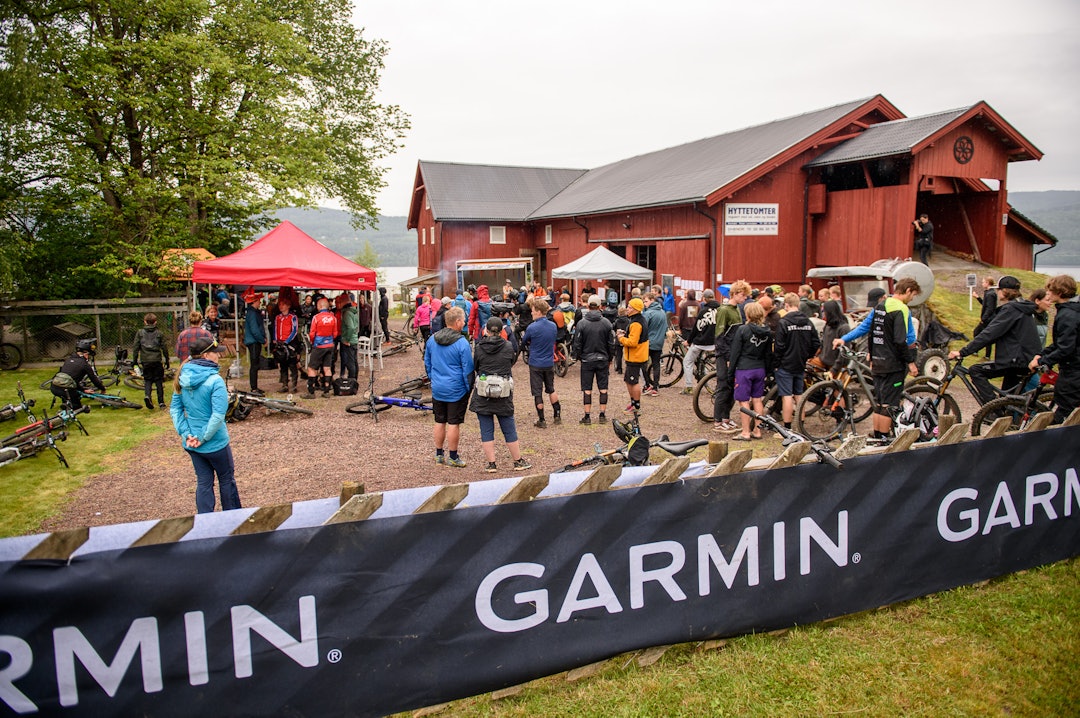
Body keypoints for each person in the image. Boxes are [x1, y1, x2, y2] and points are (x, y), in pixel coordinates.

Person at [170, 336, 240, 514]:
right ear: (206, 355)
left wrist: (187, 434)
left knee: (203, 482)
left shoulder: (182, 376)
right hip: (215, 442)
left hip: (192, 443)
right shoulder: (215, 381)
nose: (218, 356)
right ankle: (233, 519)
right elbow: (218, 415)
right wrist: (203, 437)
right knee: (226, 480)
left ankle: (204, 523)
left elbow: (175, 410)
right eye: (215, 353)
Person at [948, 275, 1041, 404]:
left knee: (976, 371)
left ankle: (992, 409)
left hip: (1015, 361)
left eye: (998, 290)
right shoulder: (1022, 307)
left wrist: (963, 352)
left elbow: (989, 334)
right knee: (1008, 400)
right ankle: (1003, 414)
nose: (997, 293)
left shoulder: (1011, 309)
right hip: (1024, 359)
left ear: (1004, 291)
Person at [862, 277, 922, 440]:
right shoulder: (901, 309)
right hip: (892, 363)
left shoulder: (880, 306)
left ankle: (876, 435)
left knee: (879, 401)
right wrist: (910, 362)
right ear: (908, 291)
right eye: (913, 295)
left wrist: (872, 354)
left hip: (878, 361)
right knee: (890, 402)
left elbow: (871, 332)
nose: (912, 299)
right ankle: (884, 437)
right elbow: (899, 340)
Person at [471, 317, 532, 473]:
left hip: (484, 392)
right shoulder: (508, 346)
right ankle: (518, 461)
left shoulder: (479, 348)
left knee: (486, 429)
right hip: (503, 393)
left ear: (486, 330)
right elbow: (510, 361)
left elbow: (476, 366)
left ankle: (491, 463)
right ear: (502, 331)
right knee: (509, 428)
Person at [424, 306, 474, 467]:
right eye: (464, 320)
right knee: (453, 423)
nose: (465, 322)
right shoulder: (462, 343)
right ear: (458, 322)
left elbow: (427, 363)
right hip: (456, 389)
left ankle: (439, 454)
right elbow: (467, 369)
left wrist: (434, 379)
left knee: (439, 420)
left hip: (438, 387)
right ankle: (453, 456)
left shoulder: (432, 339)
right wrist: (468, 388)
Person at [1029, 274, 1080, 424]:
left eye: (1051, 290)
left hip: (1073, 372)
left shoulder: (1068, 315)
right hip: (1074, 369)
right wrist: (1041, 354)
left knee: (1064, 416)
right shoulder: (1072, 310)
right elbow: (1060, 343)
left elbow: (1065, 348)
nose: (1048, 293)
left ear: (1060, 292)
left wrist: (1042, 361)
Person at [773, 292, 821, 429]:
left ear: (786, 305)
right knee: (799, 395)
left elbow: (779, 345)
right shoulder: (808, 321)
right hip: (800, 362)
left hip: (785, 363)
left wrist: (776, 363)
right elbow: (816, 343)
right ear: (798, 305)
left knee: (786, 396)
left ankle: (787, 427)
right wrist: (808, 355)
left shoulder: (784, 322)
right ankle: (800, 425)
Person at [728, 302, 772, 441]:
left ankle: (745, 432)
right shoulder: (767, 332)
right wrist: (768, 371)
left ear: (748, 314)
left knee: (743, 401)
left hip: (744, 369)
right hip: (760, 368)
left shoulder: (743, 330)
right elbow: (768, 354)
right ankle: (757, 430)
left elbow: (735, 352)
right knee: (757, 400)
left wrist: (730, 372)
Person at [713, 280, 750, 433]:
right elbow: (719, 336)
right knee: (723, 386)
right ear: (734, 294)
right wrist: (727, 357)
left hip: (733, 354)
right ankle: (717, 421)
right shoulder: (724, 310)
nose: (745, 298)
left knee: (731, 387)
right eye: (743, 295)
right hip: (724, 355)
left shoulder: (736, 309)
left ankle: (726, 418)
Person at [573, 294, 616, 424]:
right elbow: (611, 343)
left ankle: (587, 416)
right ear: (599, 307)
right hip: (602, 358)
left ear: (588, 305)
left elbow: (577, 343)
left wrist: (579, 356)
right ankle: (602, 414)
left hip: (587, 359)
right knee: (603, 387)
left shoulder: (582, 323)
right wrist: (610, 358)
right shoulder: (606, 323)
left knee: (587, 388)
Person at [522, 298, 561, 427]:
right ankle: (557, 414)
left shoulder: (532, 327)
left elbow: (524, 342)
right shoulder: (553, 325)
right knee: (551, 389)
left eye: (533, 311)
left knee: (537, 392)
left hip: (535, 363)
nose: (531, 313)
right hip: (549, 362)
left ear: (538, 311)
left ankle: (542, 419)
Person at [49, 338, 106, 411]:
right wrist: (103, 389)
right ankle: (70, 407)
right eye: (89, 354)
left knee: (69, 394)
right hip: (66, 390)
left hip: (54, 388)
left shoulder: (68, 360)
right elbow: (94, 379)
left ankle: (66, 403)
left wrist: (83, 390)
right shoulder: (85, 365)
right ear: (86, 354)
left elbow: (72, 379)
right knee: (78, 409)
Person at [682, 288, 719, 394]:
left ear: (705, 299)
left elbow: (696, 329)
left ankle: (689, 387)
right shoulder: (720, 310)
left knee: (687, 361)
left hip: (701, 342)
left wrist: (688, 341)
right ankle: (705, 373)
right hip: (715, 342)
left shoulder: (703, 311)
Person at [618, 297, 649, 416]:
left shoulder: (636, 323)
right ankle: (633, 402)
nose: (627, 309)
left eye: (630, 307)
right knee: (628, 380)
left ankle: (636, 405)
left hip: (635, 356)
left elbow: (633, 342)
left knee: (633, 381)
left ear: (635, 309)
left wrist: (621, 338)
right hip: (636, 355)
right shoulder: (638, 320)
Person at [303, 296, 339, 399]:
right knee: (327, 367)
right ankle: (327, 391)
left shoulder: (316, 317)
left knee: (311, 368)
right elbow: (335, 333)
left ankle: (311, 392)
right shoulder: (333, 317)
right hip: (330, 345)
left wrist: (313, 342)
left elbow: (312, 333)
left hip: (319, 345)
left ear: (319, 306)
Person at [132, 312, 170, 410]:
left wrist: (135, 360)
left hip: (145, 360)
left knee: (147, 379)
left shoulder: (140, 333)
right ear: (155, 322)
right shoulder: (159, 333)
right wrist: (167, 359)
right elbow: (164, 347)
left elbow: (136, 347)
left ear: (145, 322)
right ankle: (161, 402)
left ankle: (147, 396)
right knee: (158, 380)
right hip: (156, 359)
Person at [272, 296, 302, 393]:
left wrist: (287, 341)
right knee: (283, 365)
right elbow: (275, 329)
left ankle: (294, 385)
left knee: (292, 364)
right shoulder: (278, 317)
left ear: (288, 306)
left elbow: (294, 330)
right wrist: (276, 340)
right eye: (280, 305)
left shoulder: (293, 317)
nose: (281, 307)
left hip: (290, 344)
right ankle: (285, 384)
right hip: (280, 343)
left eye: (283, 305)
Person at [641, 291, 668, 396]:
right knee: (656, 365)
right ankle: (655, 387)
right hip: (659, 342)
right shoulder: (662, 312)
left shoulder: (648, 313)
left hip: (648, 342)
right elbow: (665, 328)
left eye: (646, 301)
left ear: (652, 300)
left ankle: (647, 384)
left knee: (643, 364)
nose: (644, 303)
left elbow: (643, 328)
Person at [242, 289, 267, 395]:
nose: (260, 302)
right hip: (253, 341)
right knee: (254, 365)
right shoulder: (252, 313)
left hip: (254, 340)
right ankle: (253, 388)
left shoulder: (253, 312)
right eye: (258, 301)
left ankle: (255, 387)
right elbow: (254, 329)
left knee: (255, 365)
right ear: (255, 301)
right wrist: (262, 339)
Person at [819, 300, 851, 374]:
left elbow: (844, 352)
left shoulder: (844, 328)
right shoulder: (827, 326)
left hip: (838, 366)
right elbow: (822, 344)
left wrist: (834, 370)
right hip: (823, 361)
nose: (822, 314)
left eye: (824, 311)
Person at [972, 276, 998, 358]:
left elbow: (989, 309)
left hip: (988, 320)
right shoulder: (988, 293)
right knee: (982, 335)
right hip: (988, 319)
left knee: (979, 334)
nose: (982, 283)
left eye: (983, 282)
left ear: (987, 283)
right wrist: (978, 297)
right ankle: (981, 353)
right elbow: (985, 304)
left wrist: (984, 319)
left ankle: (984, 354)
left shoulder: (990, 294)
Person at [336, 292, 359, 381]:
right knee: (354, 360)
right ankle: (354, 379)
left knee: (350, 362)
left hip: (349, 340)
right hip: (354, 339)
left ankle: (352, 379)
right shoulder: (353, 312)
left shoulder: (347, 313)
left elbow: (351, 327)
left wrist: (347, 339)